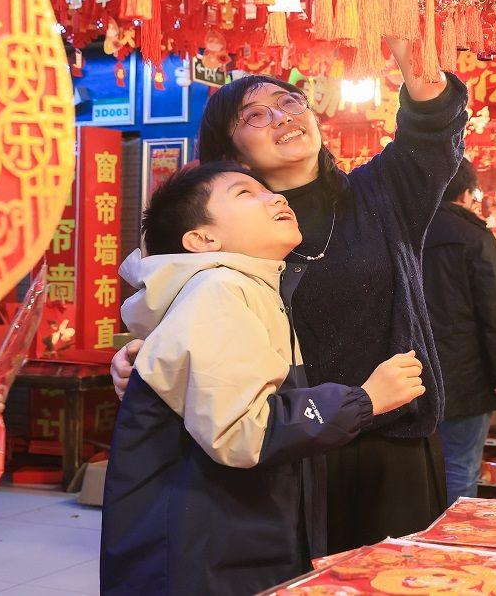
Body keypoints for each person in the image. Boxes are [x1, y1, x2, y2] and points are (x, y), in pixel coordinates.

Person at [110, 40, 467, 552]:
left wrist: (417, 57)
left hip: (389, 443)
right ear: (230, 153)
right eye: (255, 115)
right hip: (280, 446)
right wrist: (137, 357)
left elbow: (433, 131)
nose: (281, 117)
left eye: (289, 102)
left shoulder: (382, 194)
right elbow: (176, 308)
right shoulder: (218, 226)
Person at [101, 163, 426, 596]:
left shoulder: (247, 287)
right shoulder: (219, 290)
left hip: (220, 538)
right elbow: (243, 433)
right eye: (244, 193)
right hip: (198, 553)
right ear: (203, 239)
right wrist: (364, 399)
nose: (275, 198)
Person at [421, 160, 496, 504]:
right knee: (460, 466)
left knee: (418, 470)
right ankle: (450, 544)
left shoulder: (399, 230)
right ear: (466, 193)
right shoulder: (472, 235)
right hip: (465, 376)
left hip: (406, 376)